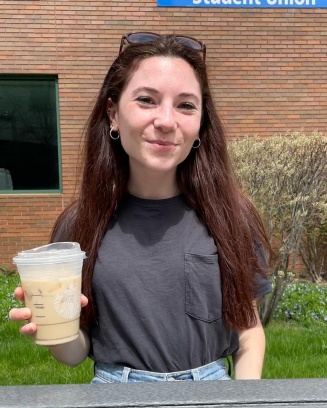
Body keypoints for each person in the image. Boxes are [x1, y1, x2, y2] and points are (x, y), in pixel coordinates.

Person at [9, 32, 273, 383]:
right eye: (147, 100)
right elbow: (75, 354)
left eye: (186, 105)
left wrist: (243, 400)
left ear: (200, 127)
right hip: (114, 392)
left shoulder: (232, 217)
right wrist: (54, 325)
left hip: (211, 392)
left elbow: (248, 332)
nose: (166, 121)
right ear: (113, 114)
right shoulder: (81, 224)